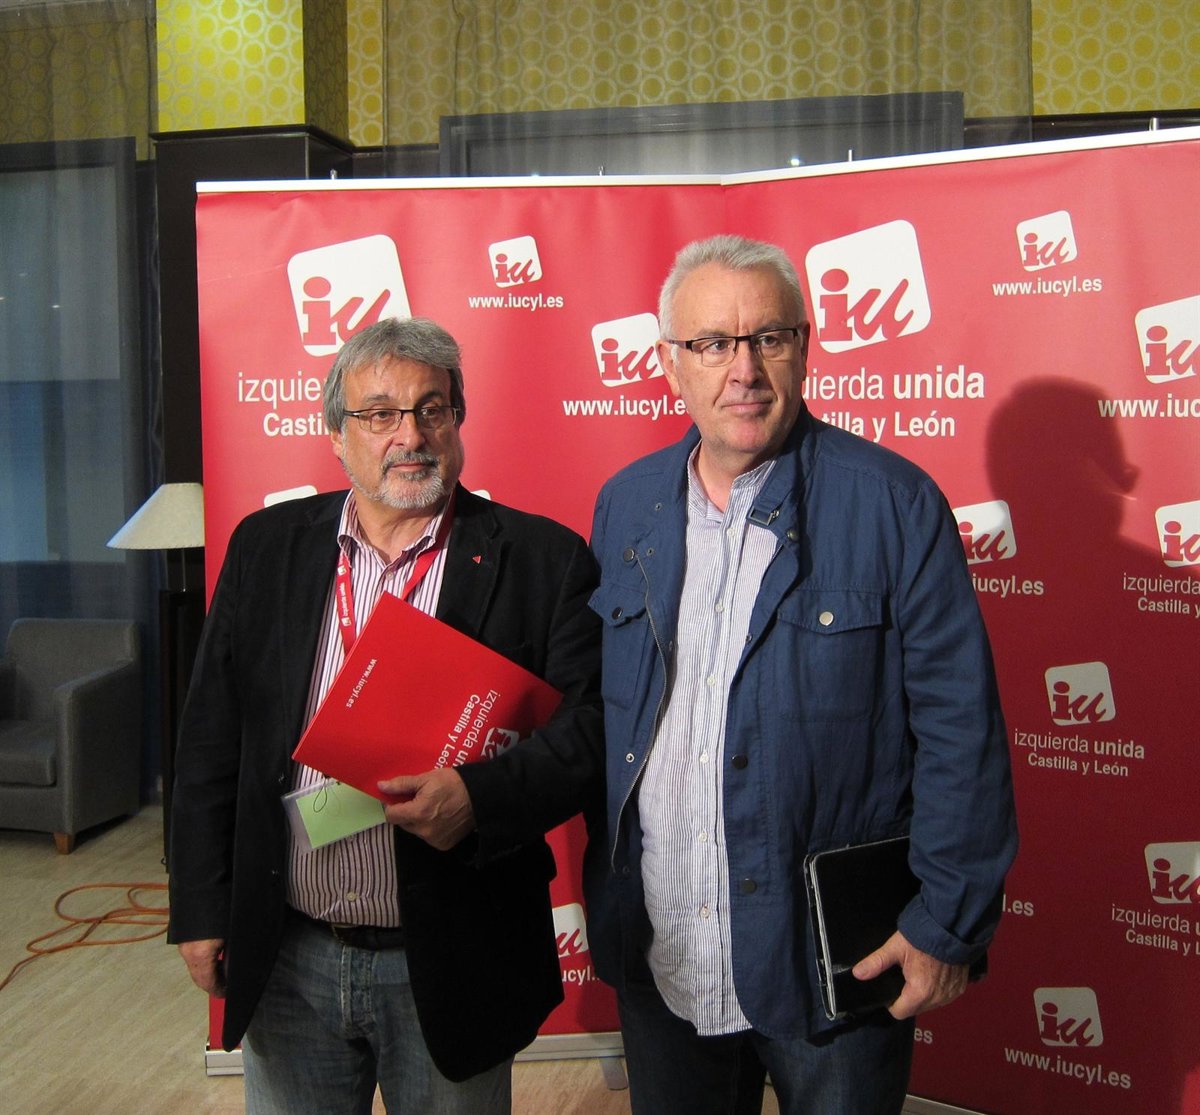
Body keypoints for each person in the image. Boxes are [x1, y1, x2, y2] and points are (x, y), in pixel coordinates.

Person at [584, 235, 1018, 1114]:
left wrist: (946, 922)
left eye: (768, 338)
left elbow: (961, 730)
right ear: (670, 363)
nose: (742, 369)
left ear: (805, 348)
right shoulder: (625, 503)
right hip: (666, 955)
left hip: (829, 965)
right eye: (712, 343)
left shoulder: (894, 504)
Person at [168, 316, 603, 1114]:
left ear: (458, 418)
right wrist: (199, 907)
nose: (410, 435)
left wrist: (479, 797)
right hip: (290, 952)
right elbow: (210, 742)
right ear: (337, 433)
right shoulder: (266, 547)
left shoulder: (544, 560)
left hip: (454, 957)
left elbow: (589, 735)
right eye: (379, 414)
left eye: (431, 409)